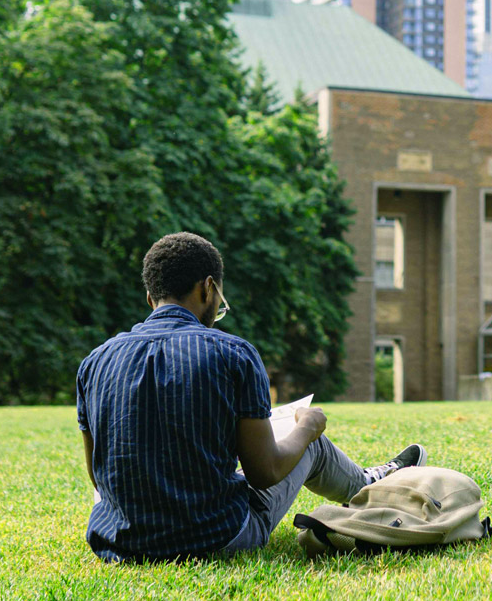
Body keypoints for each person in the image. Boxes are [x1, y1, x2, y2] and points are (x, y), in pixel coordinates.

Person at [76, 232, 427, 563]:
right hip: (216, 537)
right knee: (308, 441)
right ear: (208, 288)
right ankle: (368, 485)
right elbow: (264, 473)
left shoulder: (94, 362)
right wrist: (307, 429)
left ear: (151, 298)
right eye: (219, 300)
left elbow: (98, 475)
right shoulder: (232, 353)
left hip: (120, 542)